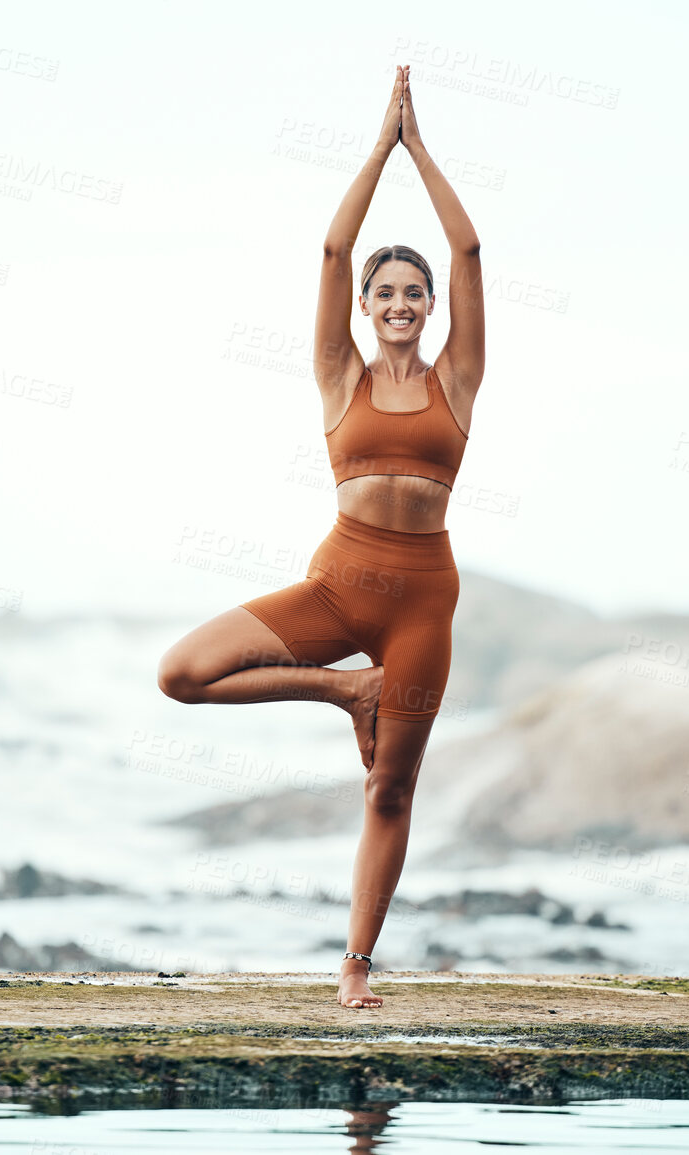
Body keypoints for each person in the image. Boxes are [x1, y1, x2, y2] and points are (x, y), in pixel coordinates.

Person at [157, 65, 484, 1009]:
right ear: (364, 304)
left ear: (428, 308)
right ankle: (344, 689)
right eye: (384, 291)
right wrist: (377, 145)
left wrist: (420, 149)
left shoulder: (454, 380)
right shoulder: (336, 371)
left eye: (412, 293)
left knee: (389, 789)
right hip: (337, 584)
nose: (398, 302)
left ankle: (354, 965)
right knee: (182, 672)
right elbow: (333, 245)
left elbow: (467, 249)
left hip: (423, 599)